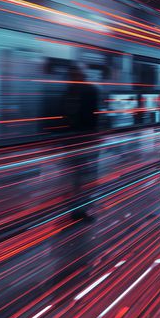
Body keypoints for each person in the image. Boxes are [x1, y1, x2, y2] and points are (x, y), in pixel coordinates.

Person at [63, 67, 100, 221]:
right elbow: (94, 116)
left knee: (76, 177)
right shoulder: (90, 90)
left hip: (73, 141)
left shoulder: (68, 92)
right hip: (86, 140)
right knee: (85, 177)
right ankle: (81, 210)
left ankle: (76, 208)